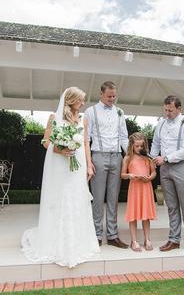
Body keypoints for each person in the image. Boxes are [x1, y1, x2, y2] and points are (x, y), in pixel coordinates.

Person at [21, 87, 100, 267]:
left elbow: (86, 144)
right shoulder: (53, 118)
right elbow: (45, 141)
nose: (83, 103)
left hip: (77, 165)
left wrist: (89, 165)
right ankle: (54, 243)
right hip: (59, 165)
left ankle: (78, 243)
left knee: (76, 199)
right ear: (71, 100)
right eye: (80, 100)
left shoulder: (84, 120)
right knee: (59, 199)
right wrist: (59, 148)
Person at [150, 95, 184, 255]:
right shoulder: (161, 123)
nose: (167, 113)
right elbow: (156, 143)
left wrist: (164, 158)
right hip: (164, 169)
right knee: (171, 206)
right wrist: (151, 158)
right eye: (165, 110)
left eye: (170, 110)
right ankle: (174, 240)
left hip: (182, 166)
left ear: (179, 109)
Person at [85, 81, 129, 248]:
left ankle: (112, 235)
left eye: (114, 96)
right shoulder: (91, 111)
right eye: (109, 96)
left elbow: (124, 137)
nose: (112, 99)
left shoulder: (120, 112)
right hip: (98, 155)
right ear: (101, 94)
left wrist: (129, 156)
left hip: (117, 156)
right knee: (97, 198)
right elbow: (86, 139)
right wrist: (88, 162)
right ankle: (96, 235)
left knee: (113, 198)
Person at [121, 132, 157, 252]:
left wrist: (150, 178)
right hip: (134, 189)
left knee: (145, 215)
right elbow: (122, 174)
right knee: (133, 214)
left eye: (141, 146)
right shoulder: (127, 158)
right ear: (131, 145)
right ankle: (134, 241)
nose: (139, 148)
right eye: (137, 146)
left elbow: (153, 172)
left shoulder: (148, 157)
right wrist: (129, 175)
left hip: (146, 188)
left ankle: (147, 239)